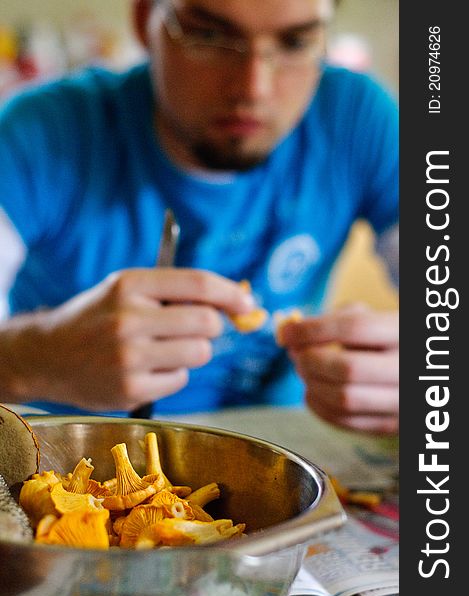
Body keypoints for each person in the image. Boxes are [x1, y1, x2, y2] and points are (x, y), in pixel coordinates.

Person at [0, 0, 398, 434]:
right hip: (70, 457)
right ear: (144, 20)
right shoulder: (41, 135)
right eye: (209, 36)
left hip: (281, 451)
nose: (253, 88)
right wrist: (32, 358)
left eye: (296, 42)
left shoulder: (357, 119)